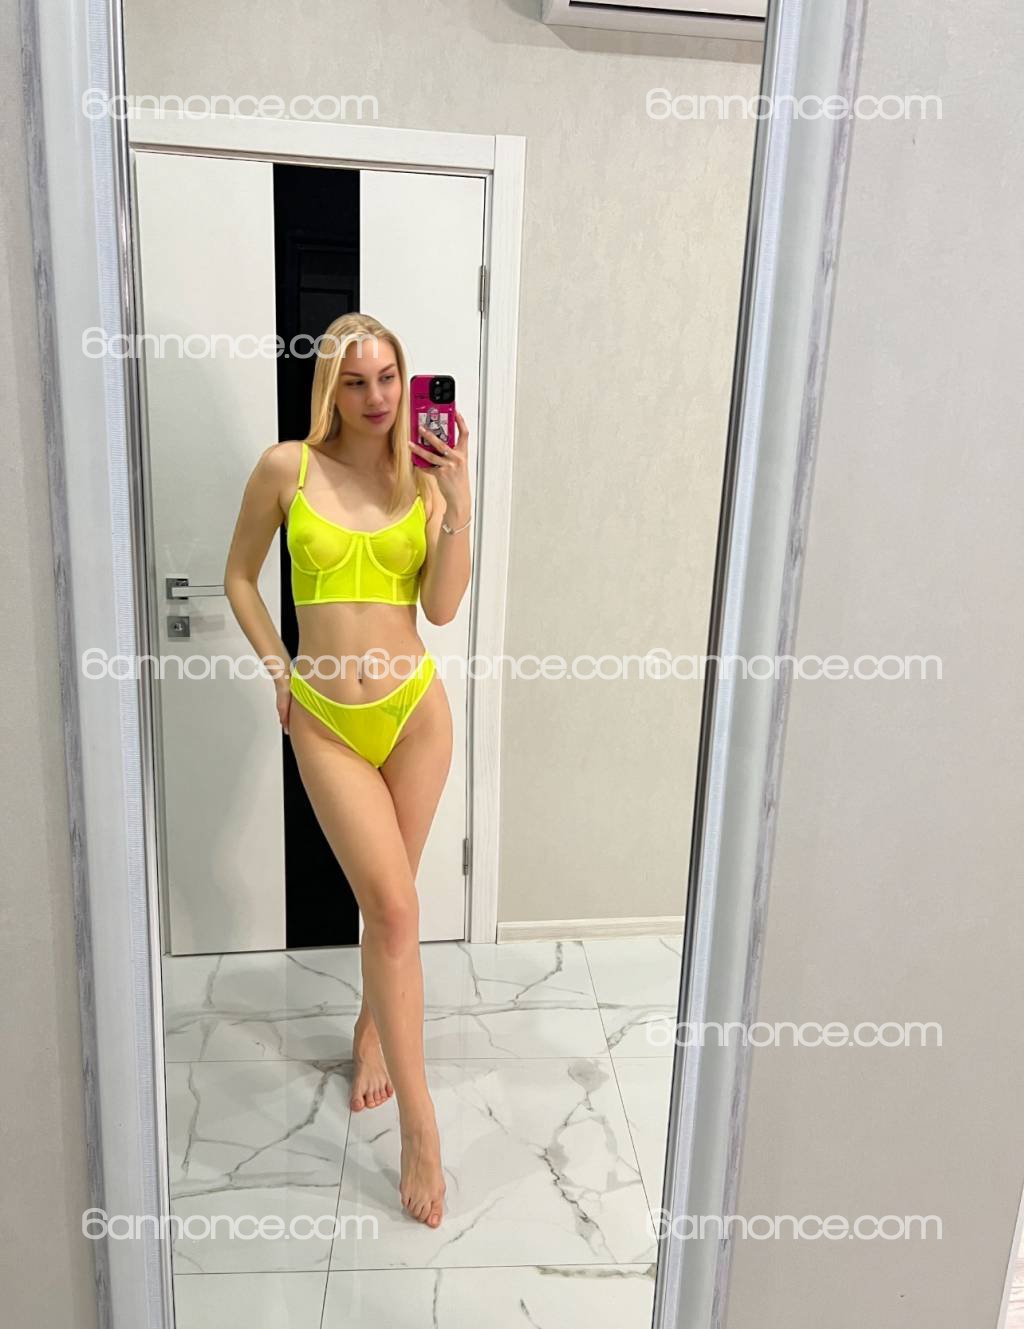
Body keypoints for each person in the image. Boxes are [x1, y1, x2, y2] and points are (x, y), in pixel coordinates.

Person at [224, 312, 472, 1229]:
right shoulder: (286, 468)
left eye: (389, 378)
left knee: (390, 908)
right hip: (326, 722)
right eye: (357, 380)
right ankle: (420, 1125)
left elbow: (441, 608)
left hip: (415, 717)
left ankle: (375, 1031)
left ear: (408, 381)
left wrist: (460, 502)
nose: (377, 397)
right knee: (394, 909)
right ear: (331, 386)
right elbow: (239, 576)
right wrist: (279, 670)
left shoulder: (425, 476)